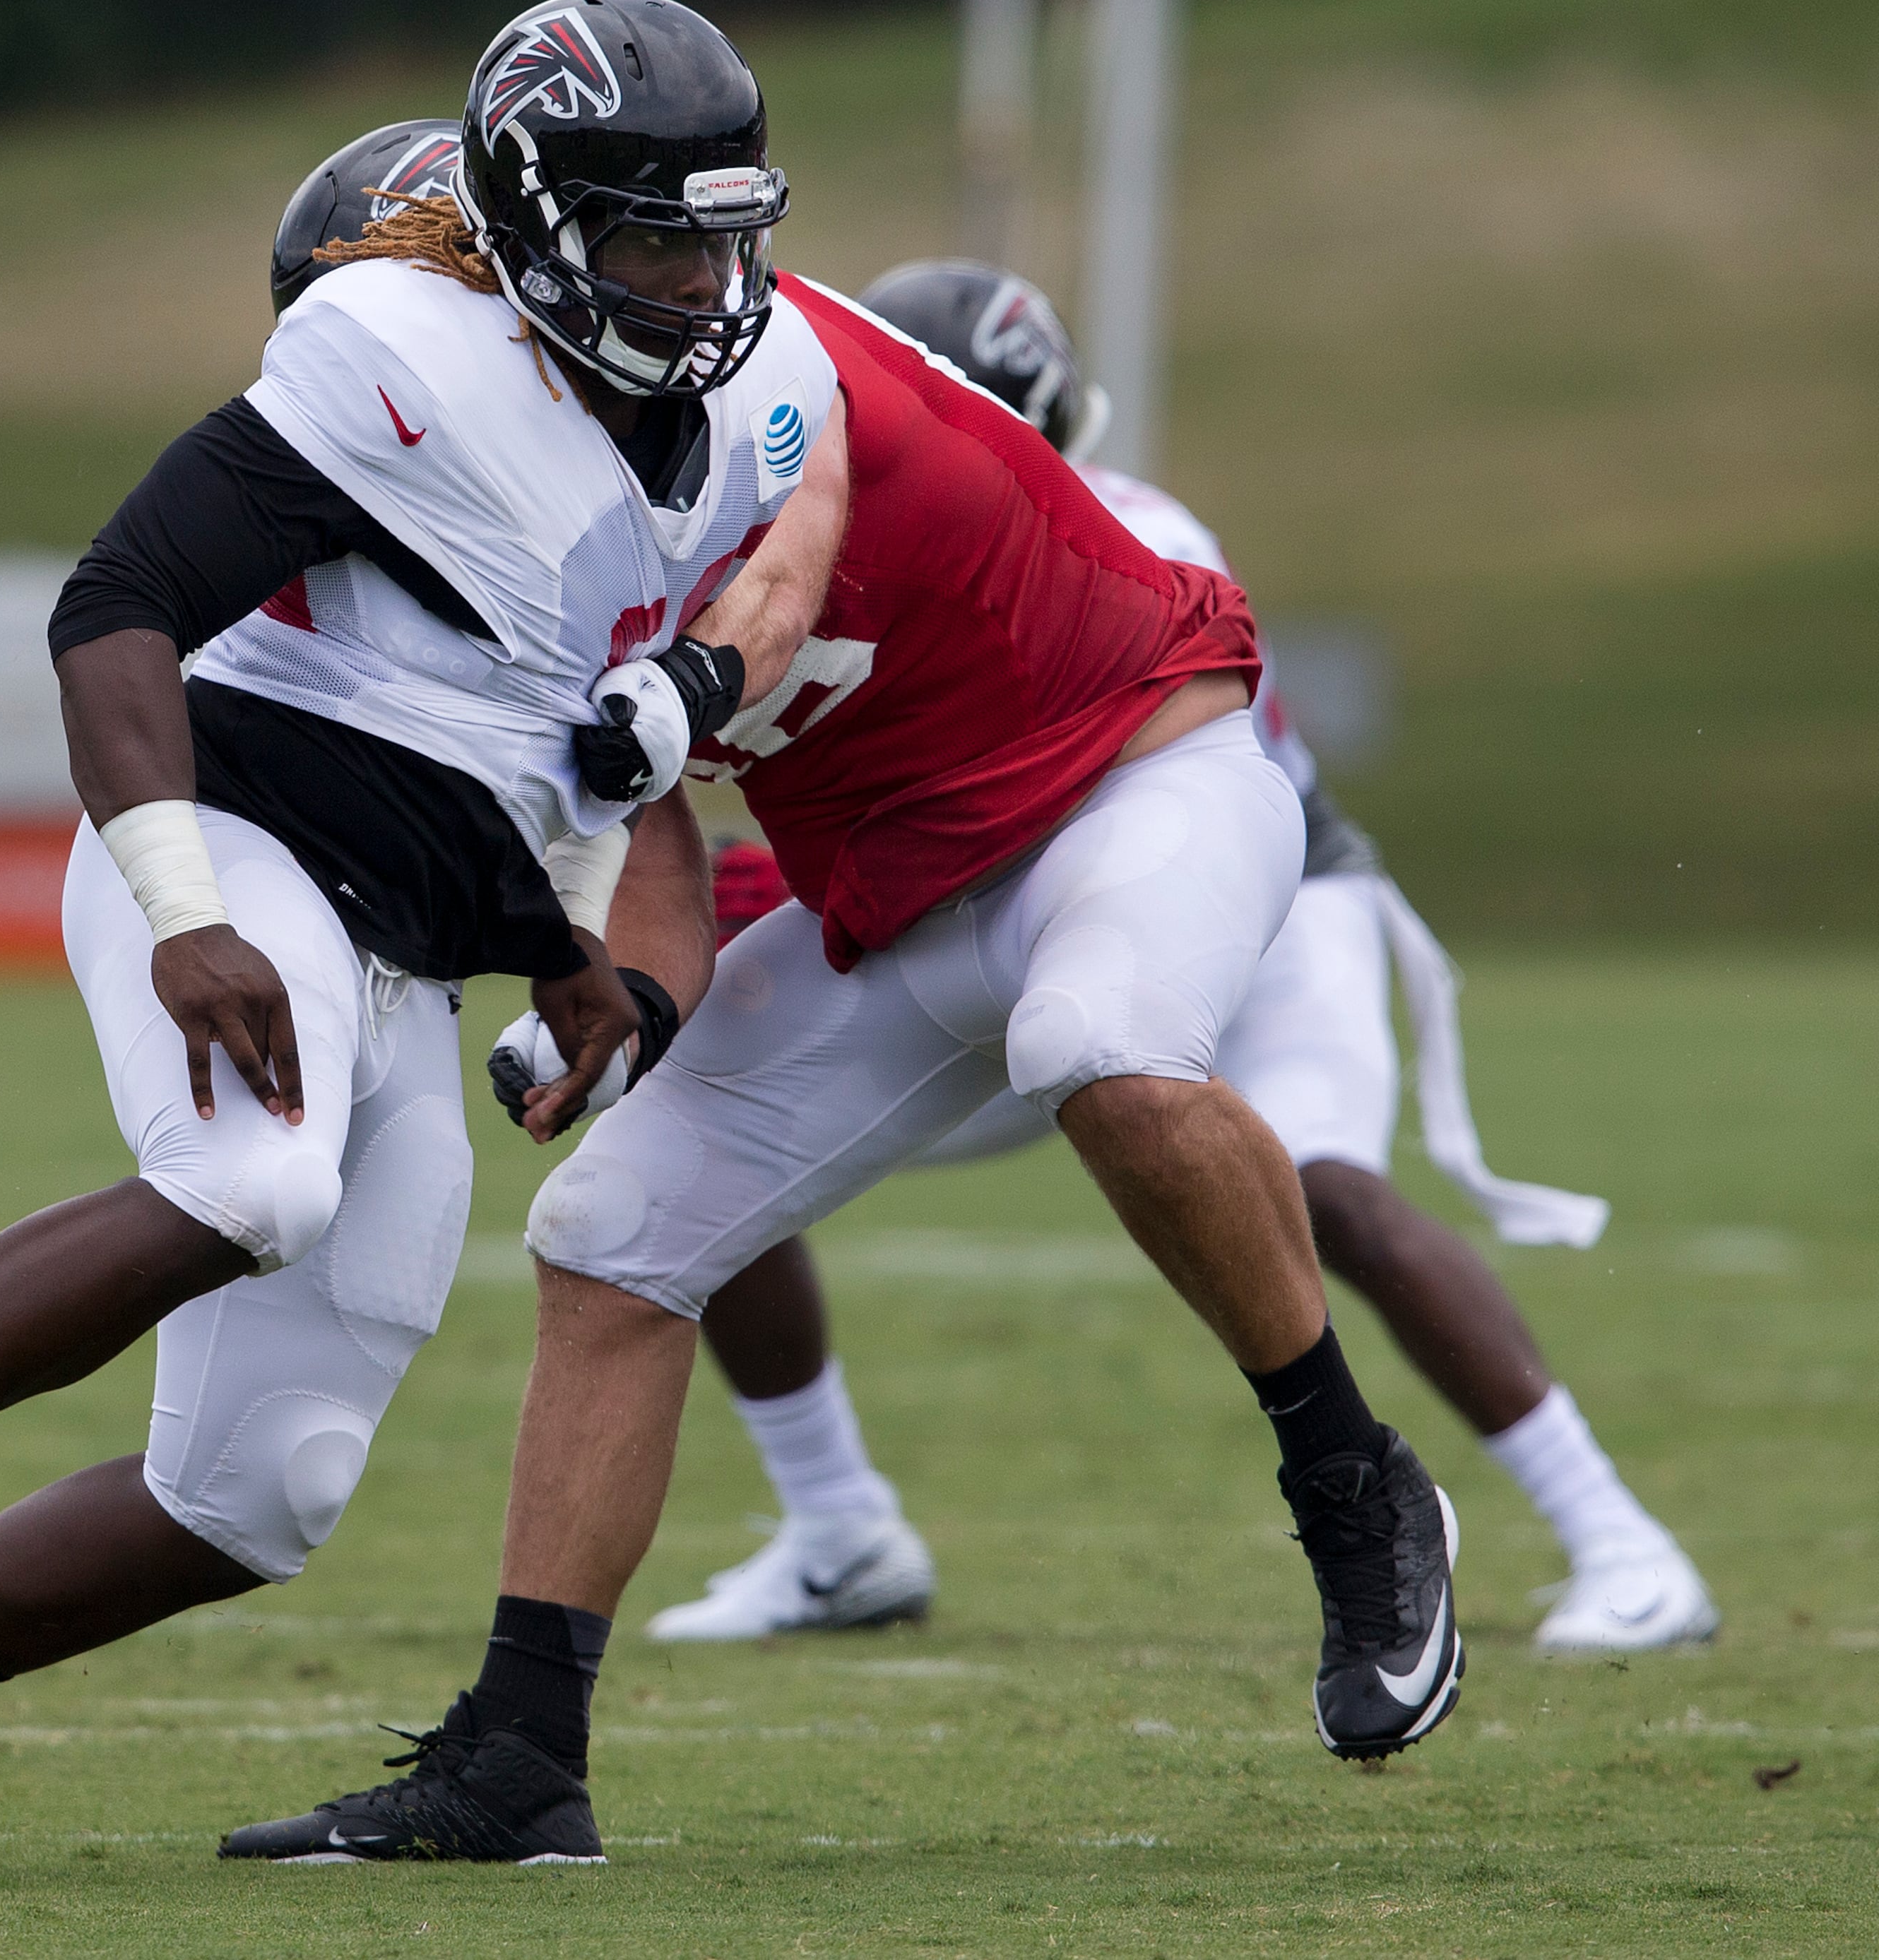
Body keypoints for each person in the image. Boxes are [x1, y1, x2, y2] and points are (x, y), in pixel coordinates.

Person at [0, 0, 853, 1875]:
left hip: (395, 939)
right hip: (229, 841)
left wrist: (589, 962)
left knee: (261, 1494)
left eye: (720, 235)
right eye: (651, 239)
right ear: (530, 223)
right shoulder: (403, 353)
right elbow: (117, 597)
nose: (701, 283)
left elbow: (570, 750)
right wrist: (183, 911)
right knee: (255, 1184)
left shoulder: (745, 422)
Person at [222, 251, 1477, 1867]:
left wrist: (678, 688)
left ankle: (1353, 1483)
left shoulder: (760, 348)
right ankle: (523, 1757)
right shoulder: (527, 510)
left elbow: (783, 574)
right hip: (899, 894)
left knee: (1094, 1039)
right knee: (606, 1239)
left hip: (1134, 775)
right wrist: (629, 1015)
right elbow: (660, 855)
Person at [646, 260, 1714, 1656]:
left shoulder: (1128, 530)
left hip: (1226, 905)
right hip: (986, 923)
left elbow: (1161, 793)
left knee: (1331, 1188)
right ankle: (839, 1527)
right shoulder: (807, 528)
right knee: (705, 1126)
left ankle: (1621, 1536)